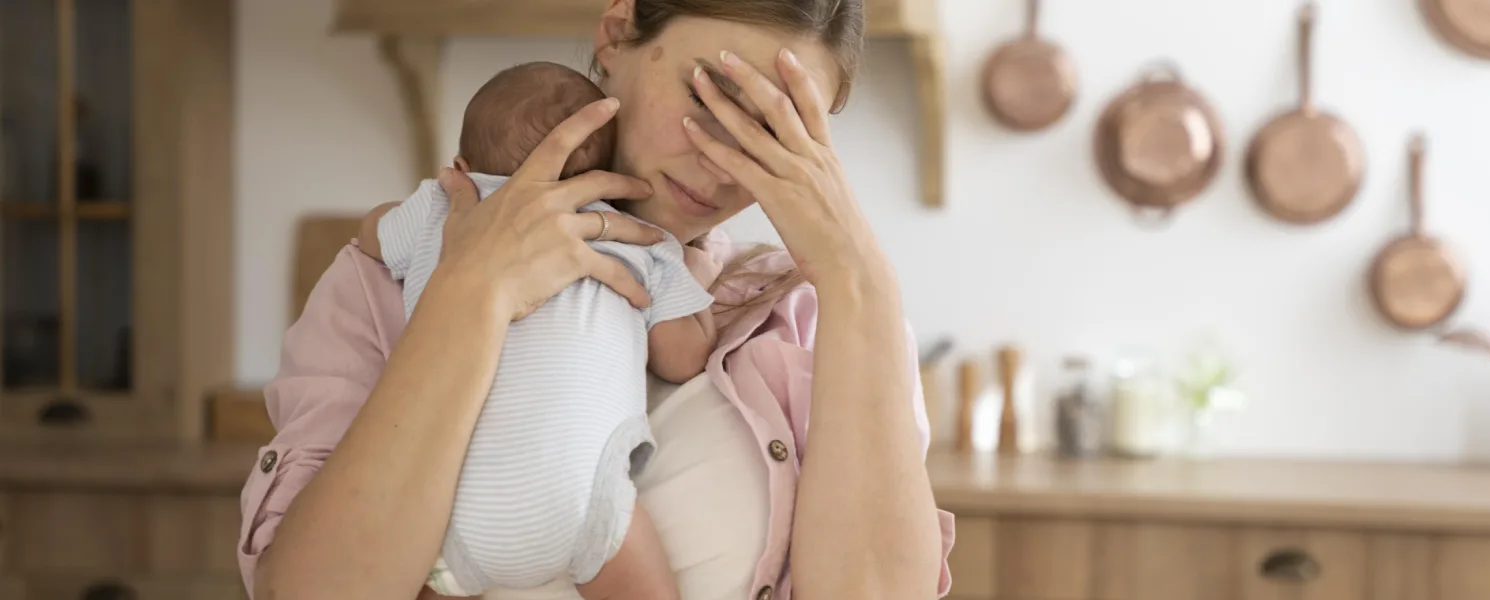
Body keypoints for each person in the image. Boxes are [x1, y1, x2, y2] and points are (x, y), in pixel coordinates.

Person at [236, 1, 956, 598]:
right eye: (712, 96)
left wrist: (858, 272)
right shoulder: (386, 284)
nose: (720, 159)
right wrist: (470, 296)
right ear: (616, 35)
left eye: (775, 132)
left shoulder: (813, 323)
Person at [355, 60, 720, 598]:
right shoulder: (637, 238)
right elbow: (682, 359)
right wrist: (696, 280)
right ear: (606, 172)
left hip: (448, 510)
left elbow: (368, 236)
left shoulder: (441, 209)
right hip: (584, 500)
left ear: (463, 164)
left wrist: (437, 196)